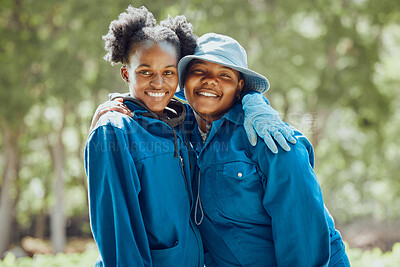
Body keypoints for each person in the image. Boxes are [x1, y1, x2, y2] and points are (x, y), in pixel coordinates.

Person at [85, 6, 295, 267]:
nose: (159, 83)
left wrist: (255, 102)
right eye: (145, 72)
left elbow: (222, 93)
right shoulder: (114, 132)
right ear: (126, 73)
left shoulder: (181, 120)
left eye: (168, 72)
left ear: (178, 77)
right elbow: (117, 235)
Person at [178, 33, 350, 266]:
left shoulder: (268, 137)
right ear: (184, 79)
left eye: (224, 75)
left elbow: (302, 230)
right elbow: (152, 89)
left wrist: (256, 101)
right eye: (199, 71)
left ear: (240, 87)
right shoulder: (181, 129)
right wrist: (120, 104)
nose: (210, 80)